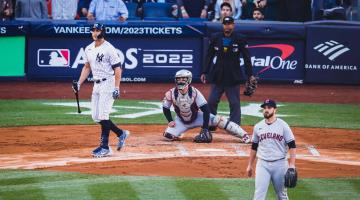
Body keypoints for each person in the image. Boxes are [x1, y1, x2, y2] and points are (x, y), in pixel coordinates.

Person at [72, 23, 130, 158]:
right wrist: (79, 83)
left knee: (103, 116)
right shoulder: (88, 48)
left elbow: (117, 68)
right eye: (93, 30)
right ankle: (121, 133)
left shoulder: (109, 48)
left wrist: (117, 87)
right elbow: (87, 67)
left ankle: (105, 147)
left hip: (108, 83)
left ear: (103, 32)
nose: (94, 33)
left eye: (97, 30)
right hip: (96, 84)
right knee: (96, 117)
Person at [162, 69, 251, 143]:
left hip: (197, 117)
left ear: (189, 80)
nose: (180, 81)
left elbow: (206, 110)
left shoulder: (195, 92)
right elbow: (165, 108)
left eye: (183, 79)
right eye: (178, 79)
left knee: (219, 120)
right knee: (168, 136)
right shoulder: (171, 93)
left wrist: (205, 128)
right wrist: (170, 120)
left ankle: (244, 135)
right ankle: (178, 133)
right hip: (181, 120)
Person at [201, 16, 255, 130]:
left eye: (230, 24)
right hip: (218, 75)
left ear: (233, 25)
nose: (227, 26)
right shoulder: (215, 37)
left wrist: (249, 74)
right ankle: (211, 124)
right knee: (211, 101)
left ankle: (235, 126)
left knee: (234, 103)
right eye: (225, 24)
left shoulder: (240, 38)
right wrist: (205, 71)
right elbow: (209, 55)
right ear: (222, 25)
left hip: (233, 76)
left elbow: (246, 57)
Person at [246, 99, 297, 200]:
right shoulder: (258, 127)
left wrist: (292, 165)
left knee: (282, 195)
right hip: (262, 164)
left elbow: (292, 146)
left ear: (275, 110)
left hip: (280, 165)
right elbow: (254, 147)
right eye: (264, 108)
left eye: (269, 108)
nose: (266, 110)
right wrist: (250, 165)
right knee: (258, 195)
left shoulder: (283, 126)